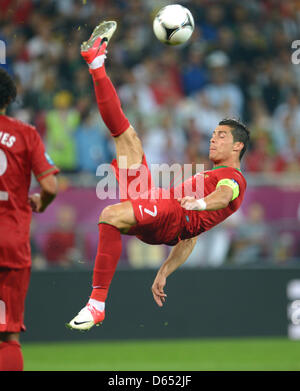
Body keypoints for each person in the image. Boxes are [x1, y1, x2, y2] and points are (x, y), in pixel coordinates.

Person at [67, 21, 249, 331]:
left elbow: (224, 196)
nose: (212, 139)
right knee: (127, 136)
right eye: (213, 134)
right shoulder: (210, 177)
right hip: (163, 206)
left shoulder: (233, 180)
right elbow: (191, 238)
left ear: (238, 146)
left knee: (110, 213)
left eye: (221, 136)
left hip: (171, 215)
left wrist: (200, 205)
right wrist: (165, 270)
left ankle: (97, 304)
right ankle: (97, 64)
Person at [0, 68, 59, 371]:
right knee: (8, 335)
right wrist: (41, 201)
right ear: (10, 98)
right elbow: (50, 186)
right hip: (10, 244)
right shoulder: (25, 134)